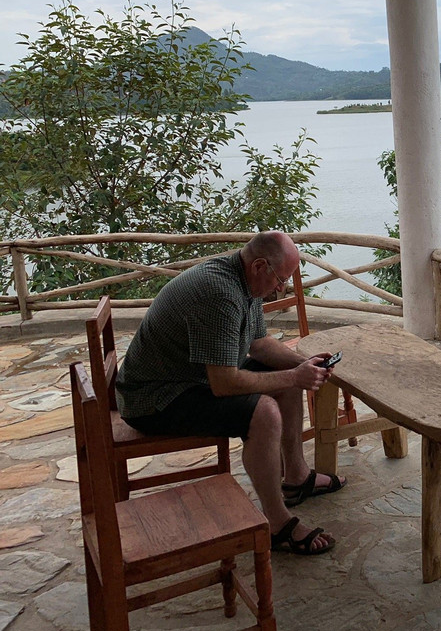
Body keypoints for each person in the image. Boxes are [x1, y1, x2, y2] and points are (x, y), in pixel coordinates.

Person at [117, 230, 344, 555]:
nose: (281, 288)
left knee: (286, 382)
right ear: (260, 266)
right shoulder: (219, 293)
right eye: (281, 280)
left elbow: (259, 345)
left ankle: (296, 477)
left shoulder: (244, 281)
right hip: (155, 398)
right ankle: (278, 525)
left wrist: (303, 364)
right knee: (264, 412)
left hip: (192, 377)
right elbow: (224, 383)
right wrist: (294, 376)